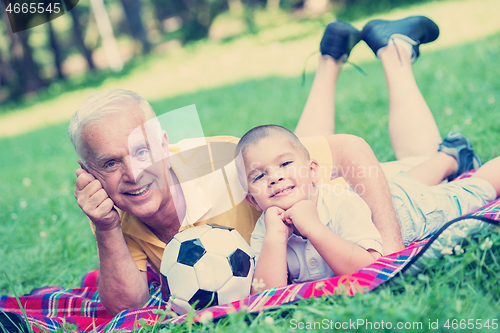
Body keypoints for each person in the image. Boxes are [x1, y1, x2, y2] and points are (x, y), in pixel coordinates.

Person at [70, 15, 448, 315]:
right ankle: (331, 56)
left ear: (164, 144)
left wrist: (391, 255)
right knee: (289, 157)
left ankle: (393, 52)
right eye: (110, 163)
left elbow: (348, 150)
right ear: (89, 173)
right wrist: (105, 228)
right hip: (287, 204)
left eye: (141, 152)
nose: (133, 174)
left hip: (330, 206)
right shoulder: (110, 207)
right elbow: (127, 309)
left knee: (423, 166)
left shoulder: (217, 164)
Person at [238, 124, 499, 291]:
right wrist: (275, 236)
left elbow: (368, 268)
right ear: (252, 200)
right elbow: (264, 295)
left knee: (471, 191)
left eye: (285, 164)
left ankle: (467, 165)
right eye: (259, 176)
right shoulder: (266, 228)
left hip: (407, 211)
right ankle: (451, 155)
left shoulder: (340, 205)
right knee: (403, 182)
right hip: (377, 193)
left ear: (312, 171)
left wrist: (314, 228)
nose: (274, 177)